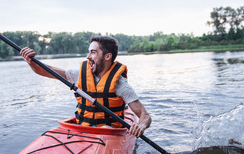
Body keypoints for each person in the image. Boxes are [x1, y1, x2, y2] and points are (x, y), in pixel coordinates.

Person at [20, 36, 151, 138]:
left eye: (93, 52)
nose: (88, 57)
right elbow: (47, 70)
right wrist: (31, 62)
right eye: (89, 52)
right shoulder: (80, 74)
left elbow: (145, 116)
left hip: (109, 133)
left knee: (105, 129)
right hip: (83, 129)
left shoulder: (120, 85)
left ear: (107, 56)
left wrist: (141, 126)